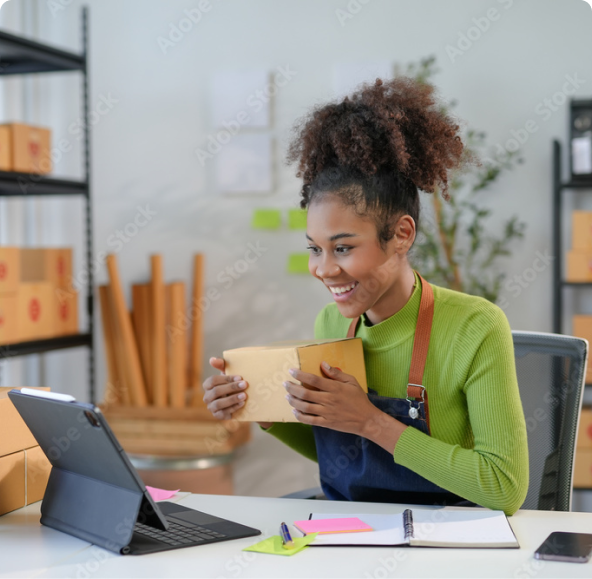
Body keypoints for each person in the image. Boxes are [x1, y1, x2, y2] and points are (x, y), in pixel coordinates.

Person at [203, 77, 529, 515]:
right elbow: (346, 460)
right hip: (350, 536)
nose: (324, 269)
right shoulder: (331, 325)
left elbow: (504, 487)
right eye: (314, 249)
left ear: (400, 235)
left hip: (445, 544)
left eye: (343, 247)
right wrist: (258, 409)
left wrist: (371, 421)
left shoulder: (475, 327)